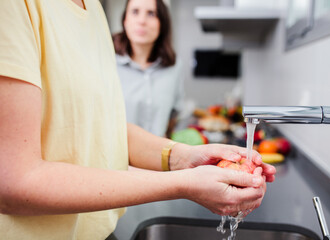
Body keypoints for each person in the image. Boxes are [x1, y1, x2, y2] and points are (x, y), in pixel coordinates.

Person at [0, 0, 276, 240]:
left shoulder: (94, 11)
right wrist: (184, 182)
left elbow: (104, 127)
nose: (142, 19)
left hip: (104, 230)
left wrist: (183, 156)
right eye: (135, 12)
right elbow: (14, 181)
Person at [112, 0, 183, 137]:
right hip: (115, 156)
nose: (142, 21)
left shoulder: (174, 66)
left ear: (162, 22)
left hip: (158, 156)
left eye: (151, 13)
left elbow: (173, 116)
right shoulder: (107, 61)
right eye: (135, 12)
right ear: (125, 20)